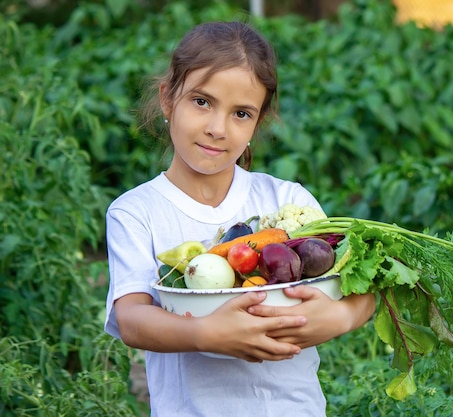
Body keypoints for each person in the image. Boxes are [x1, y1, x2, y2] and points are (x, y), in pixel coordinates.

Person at [104, 21, 376, 416]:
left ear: (257, 122)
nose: (217, 128)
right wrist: (205, 333)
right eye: (202, 101)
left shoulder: (286, 199)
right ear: (167, 99)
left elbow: (358, 283)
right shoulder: (136, 211)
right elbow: (132, 320)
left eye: (241, 113)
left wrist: (341, 316)